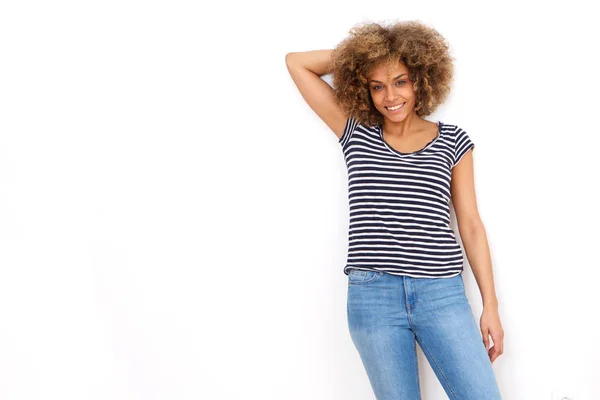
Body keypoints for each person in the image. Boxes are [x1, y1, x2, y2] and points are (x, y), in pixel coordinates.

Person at [285, 20, 504, 399]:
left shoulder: (452, 140)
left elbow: (469, 223)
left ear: (421, 78)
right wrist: (364, 57)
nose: (390, 96)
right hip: (374, 296)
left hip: (442, 294)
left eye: (400, 80)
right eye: (377, 85)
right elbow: (296, 63)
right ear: (364, 88)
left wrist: (490, 305)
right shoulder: (355, 131)